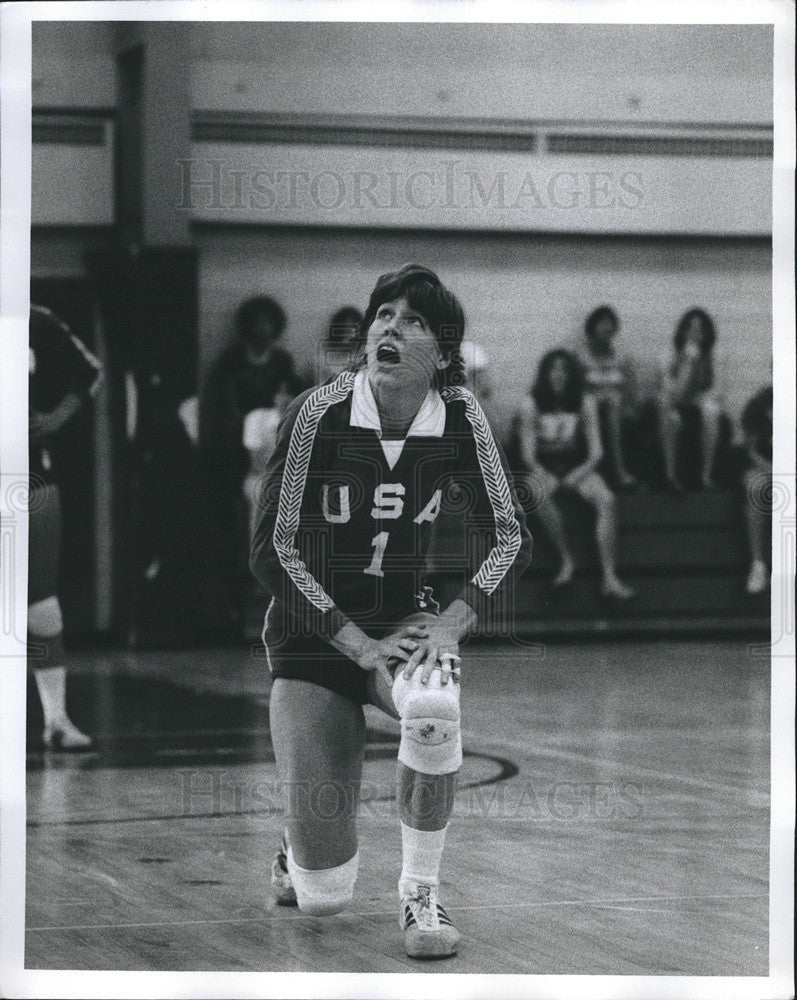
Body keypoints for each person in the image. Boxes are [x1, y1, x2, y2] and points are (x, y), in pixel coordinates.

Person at [250, 264, 532, 958]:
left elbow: (510, 535)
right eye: (383, 315)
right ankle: (299, 846)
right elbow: (271, 551)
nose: (389, 328)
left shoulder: (461, 417)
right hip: (313, 638)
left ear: (441, 353)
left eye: (411, 320)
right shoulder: (317, 413)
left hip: (403, 618)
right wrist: (353, 645)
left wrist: (453, 621)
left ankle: (420, 897)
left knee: (435, 712)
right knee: (323, 899)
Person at [28, 304, 103, 750]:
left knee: (42, 605)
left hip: (29, 476)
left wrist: (56, 417)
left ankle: (56, 719)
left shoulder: (36, 318)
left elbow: (91, 372)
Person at [203, 295, 298, 634]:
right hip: (238, 448)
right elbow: (218, 406)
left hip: (271, 439)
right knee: (244, 533)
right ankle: (239, 608)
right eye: (256, 323)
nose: (262, 329)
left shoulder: (282, 362)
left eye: (267, 323)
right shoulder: (231, 362)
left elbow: (291, 401)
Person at [518, 348, 633, 600]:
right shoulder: (532, 404)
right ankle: (566, 561)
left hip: (579, 467)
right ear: (545, 374)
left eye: (565, 370)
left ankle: (610, 577)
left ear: (572, 375)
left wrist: (577, 474)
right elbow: (528, 454)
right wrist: (544, 474)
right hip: (545, 467)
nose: (559, 375)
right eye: (554, 369)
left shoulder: (584, 401)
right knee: (533, 493)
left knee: (607, 500)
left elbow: (597, 452)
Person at [656, 308, 723, 491]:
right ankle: (670, 476)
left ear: (706, 333)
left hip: (698, 402)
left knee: (712, 412)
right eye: (690, 328)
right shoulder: (670, 353)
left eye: (700, 329)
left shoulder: (711, 355)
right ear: (682, 331)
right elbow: (672, 392)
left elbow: (715, 391)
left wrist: (702, 397)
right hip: (673, 402)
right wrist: (687, 362)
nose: (695, 334)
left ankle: (706, 476)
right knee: (668, 412)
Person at [576, 306, 638, 489]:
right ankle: (599, 464)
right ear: (592, 328)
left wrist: (632, 406)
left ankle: (619, 470)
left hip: (615, 408)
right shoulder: (581, 356)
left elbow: (631, 387)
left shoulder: (622, 357)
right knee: (593, 402)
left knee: (614, 401)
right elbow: (576, 387)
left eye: (610, 326)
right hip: (589, 407)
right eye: (601, 325)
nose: (606, 330)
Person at [740, 384, 772, 596]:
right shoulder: (758, 404)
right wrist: (772, 469)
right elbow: (749, 450)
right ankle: (758, 565)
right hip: (764, 467)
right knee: (754, 487)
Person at [317, 306, 363, 383]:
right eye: (346, 330)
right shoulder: (323, 358)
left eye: (353, 329)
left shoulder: (363, 356)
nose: (350, 335)